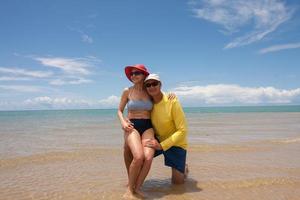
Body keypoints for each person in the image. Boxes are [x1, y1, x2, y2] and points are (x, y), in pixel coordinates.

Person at [117, 64, 155, 198]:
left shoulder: (150, 90)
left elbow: (162, 99)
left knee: (148, 157)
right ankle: (130, 189)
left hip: (148, 126)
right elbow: (119, 110)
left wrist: (172, 96)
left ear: (144, 75)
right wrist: (123, 122)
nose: (133, 76)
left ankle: (137, 187)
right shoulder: (127, 91)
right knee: (138, 157)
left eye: (137, 73)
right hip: (132, 125)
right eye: (132, 74)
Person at [143, 74, 188, 184]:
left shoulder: (172, 101)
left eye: (154, 84)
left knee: (177, 184)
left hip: (176, 143)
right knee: (139, 157)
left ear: (160, 85)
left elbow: (182, 130)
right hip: (158, 139)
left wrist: (162, 146)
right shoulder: (148, 104)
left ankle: (184, 168)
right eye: (148, 85)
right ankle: (132, 185)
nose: (151, 87)